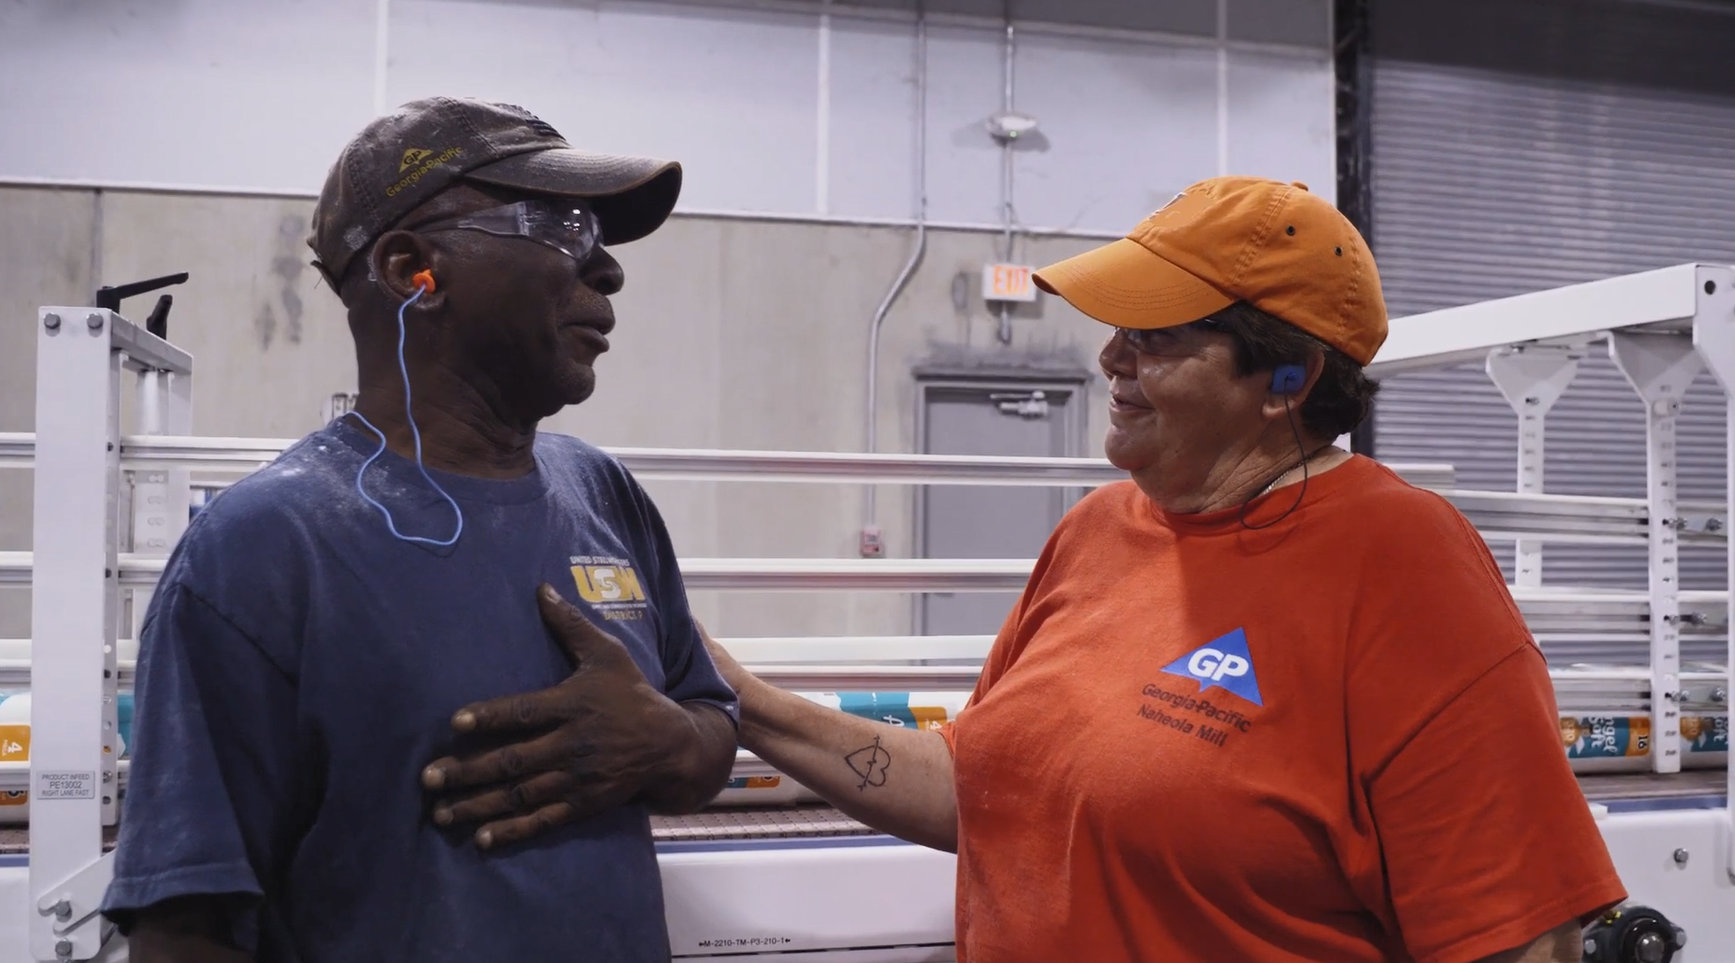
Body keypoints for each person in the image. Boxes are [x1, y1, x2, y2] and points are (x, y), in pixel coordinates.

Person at [471, 176, 1629, 962]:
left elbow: (1518, 934)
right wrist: (721, 686)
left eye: (1161, 336)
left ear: (1288, 380)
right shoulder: (1100, 532)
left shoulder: (1401, 565)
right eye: (1119, 326)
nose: (1111, 357)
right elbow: (981, 797)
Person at [99, 96, 740, 963]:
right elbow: (185, 927)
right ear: (412, 270)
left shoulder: (604, 494)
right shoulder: (263, 550)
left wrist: (664, 741)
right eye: (559, 225)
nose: (608, 268)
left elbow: (708, 727)